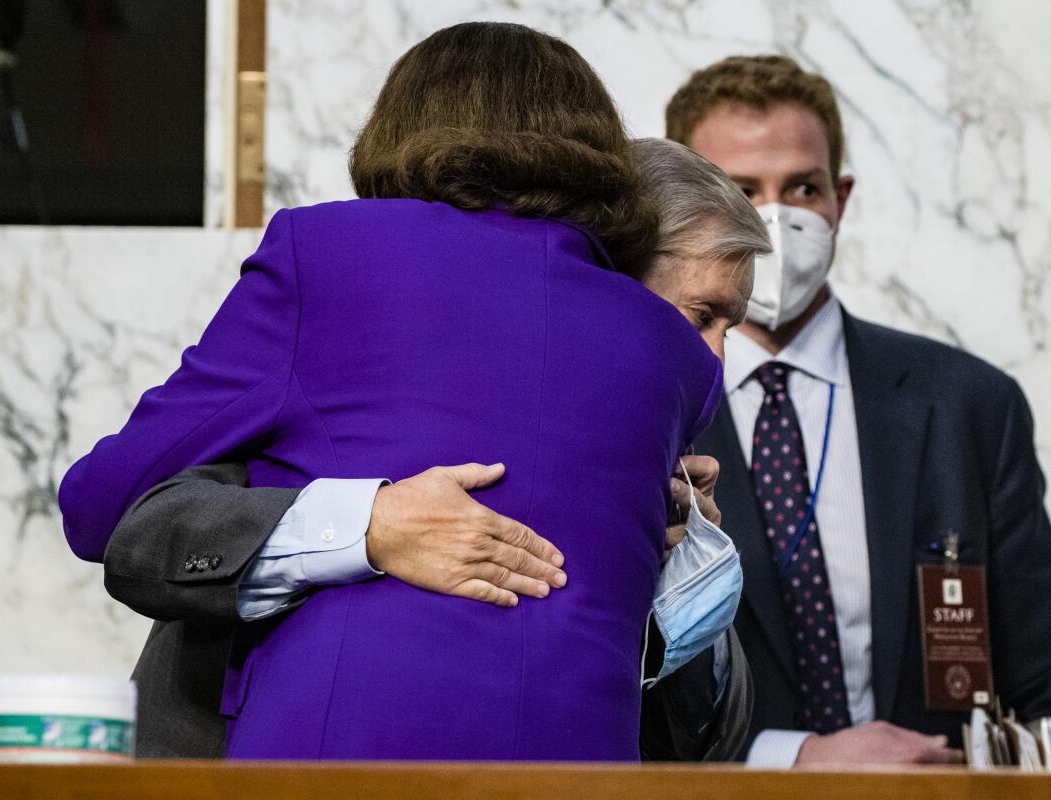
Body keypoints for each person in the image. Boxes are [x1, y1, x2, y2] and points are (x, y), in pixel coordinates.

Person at [60, 23, 730, 761]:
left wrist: (352, 518)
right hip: (580, 765)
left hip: (339, 751)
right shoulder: (670, 350)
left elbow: (103, 502)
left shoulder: (328, 255)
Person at [664, 54, 1051, 766]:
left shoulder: (971, 405)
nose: (773, 218)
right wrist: (794, 758)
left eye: (802, 187)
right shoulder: (644, 410)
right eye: (741, 190)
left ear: (840, 198)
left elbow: (1037, 678)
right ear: (685, 208)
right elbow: (628, 686)